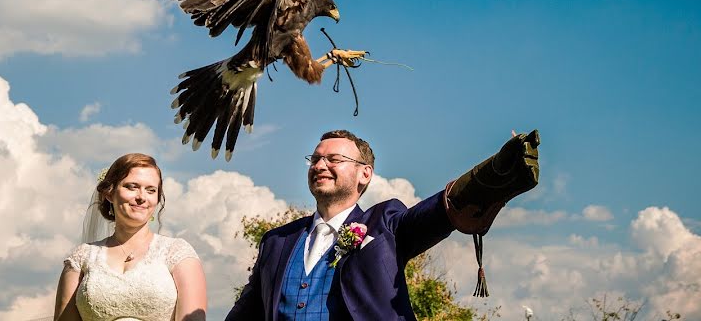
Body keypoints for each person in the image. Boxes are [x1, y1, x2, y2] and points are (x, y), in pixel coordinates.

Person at [226, 128, 540, 321]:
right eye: (315, 159)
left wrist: (488, 179)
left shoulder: (384, 223)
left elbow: (431, 216)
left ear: (365, 173)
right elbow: (247, 312)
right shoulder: (277, 241)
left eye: (334, 159)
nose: (320, 165)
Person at [54, 153, 207, 321]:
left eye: (151, 190)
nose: (141, 197)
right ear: (109, 194)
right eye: (132, 187)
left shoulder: (177, 253)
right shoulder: (82, 257)